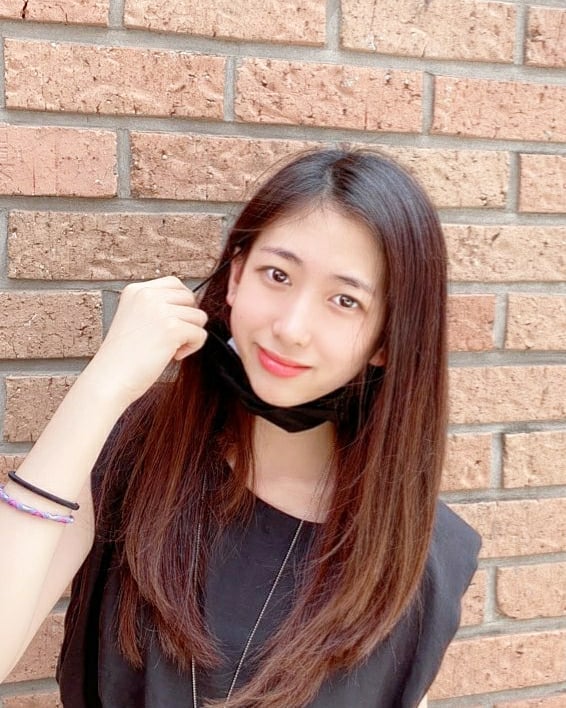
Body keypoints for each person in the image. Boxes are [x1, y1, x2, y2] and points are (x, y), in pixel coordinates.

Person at [0, 148, 481, 707]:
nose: (292, 327)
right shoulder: (135, 450)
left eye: (345, 301)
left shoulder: (427, 556)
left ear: (386, 341)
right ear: (234, 278)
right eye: (277, 275)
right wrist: (102, 387)